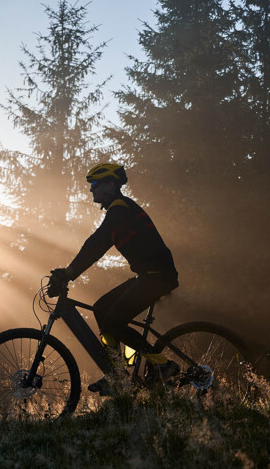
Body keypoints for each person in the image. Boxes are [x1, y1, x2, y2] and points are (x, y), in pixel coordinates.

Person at [50, 162, 180, 395]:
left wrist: (69, 273)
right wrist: (70, 273)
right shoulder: (118, 209)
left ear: (111, 185)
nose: (91, 189)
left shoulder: (120, 208)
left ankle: (161, 364)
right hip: (149, 275)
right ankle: (118, 374)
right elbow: (98, 244)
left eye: (95, 184)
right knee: (101, 310)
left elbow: (97, 243)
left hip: (157, 276)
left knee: (113, 321)